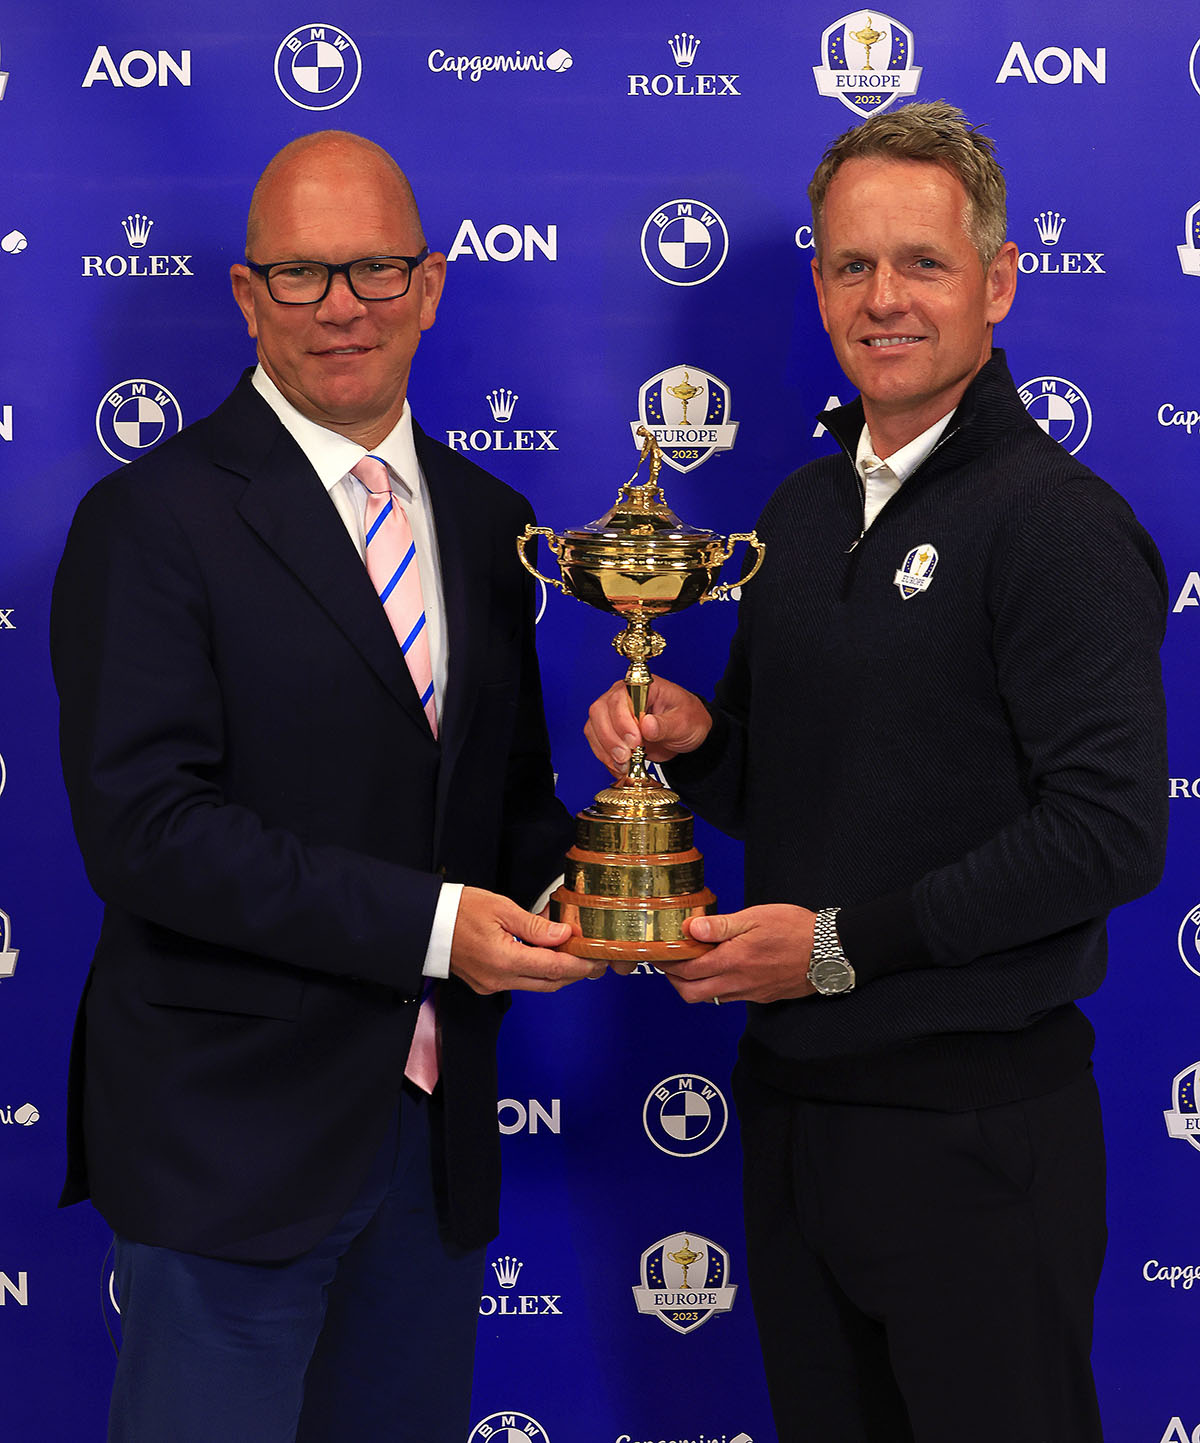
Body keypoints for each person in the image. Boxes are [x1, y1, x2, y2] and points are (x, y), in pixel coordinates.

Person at [586, 101, 1167, 1442]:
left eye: (922, 263)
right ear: (818, 285)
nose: (884, 298)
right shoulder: (794, 513)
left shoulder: (1058, 528)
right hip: (797, 1115)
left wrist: (840, 948)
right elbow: (784, 787)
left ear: (998, 283)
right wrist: (692, 741)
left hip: (975, 1134)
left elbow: (1108, 835)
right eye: (853, 266)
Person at [51, 130, 597, 1443]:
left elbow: (504, 800)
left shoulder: (486, 520)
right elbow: (149, 832)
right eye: (302, 276)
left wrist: (590, 877)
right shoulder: (151, 521)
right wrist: (435, 926)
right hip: (230, 1147)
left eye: (373, 268)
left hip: (430, 1141)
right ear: (247, 297)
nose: (341, 306)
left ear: (432, 283)